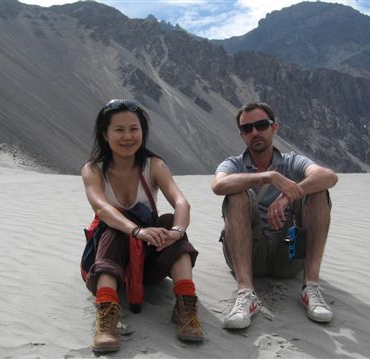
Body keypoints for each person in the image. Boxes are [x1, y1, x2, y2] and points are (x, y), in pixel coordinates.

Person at [80, 99, 205, 352]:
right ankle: (106, 317)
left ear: (142, 132)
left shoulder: (154, 166)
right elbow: (102, 209)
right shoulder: (93, 170)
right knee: (113, 228)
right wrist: (137, 231)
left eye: (134, 129)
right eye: (119, 130)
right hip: (110, 256)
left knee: (170, 221)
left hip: (146, 261)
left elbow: (181, 202)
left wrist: (175, 232)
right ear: (105, 135)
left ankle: (185, 305)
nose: (128, 136)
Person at [211, 101, 338, 329]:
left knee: (318, 192)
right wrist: (268, 177)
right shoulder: (233, 164)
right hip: (249, 254)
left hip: (288, 250)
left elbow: (328, 176)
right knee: (235, 193)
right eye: (247, 129)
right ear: (241, 135)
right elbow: (219, 185)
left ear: (274, 128)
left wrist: (287, 196)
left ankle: (311, 287)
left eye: (261, 125)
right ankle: (246, 294)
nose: (255, 132)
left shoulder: (292, 162)